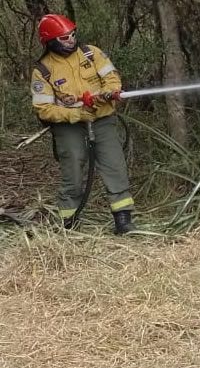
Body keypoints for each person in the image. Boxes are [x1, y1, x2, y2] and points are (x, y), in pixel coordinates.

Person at [30, 13, 135, 234]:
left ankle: (123, 219)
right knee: (73, 169)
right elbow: (44, 108)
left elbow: (112, 78)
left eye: (72, 34)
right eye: (64, 38)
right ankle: (69, 221)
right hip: (69, 126)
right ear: (50, 41)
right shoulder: (43, 71)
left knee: (114, 164)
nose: (71, 40)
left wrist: (109, 92)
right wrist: (76, 114)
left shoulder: (91, 53)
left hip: (102, 119)